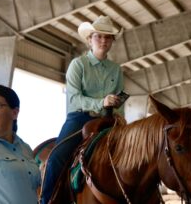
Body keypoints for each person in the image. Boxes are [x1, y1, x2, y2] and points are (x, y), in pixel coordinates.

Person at [40, 16, 126, 204]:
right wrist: (101, 103)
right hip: (80, 119)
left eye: (108, 37)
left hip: (109, 121)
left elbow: (119, 101)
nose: (103, 41)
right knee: (55, 159)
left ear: (112, 41)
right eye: (99, 36)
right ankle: (47, 201)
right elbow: (74, 98)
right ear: (89, 40)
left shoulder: (116, 69)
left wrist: (120, 117)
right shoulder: (78, 65)